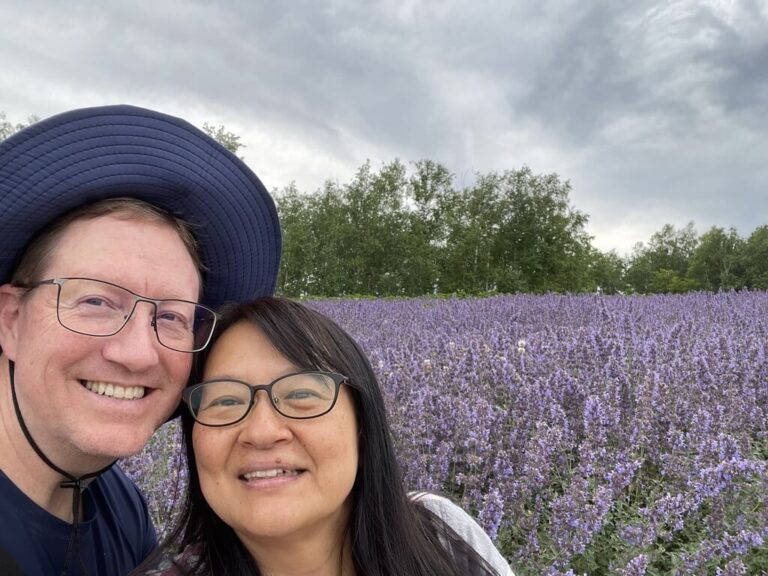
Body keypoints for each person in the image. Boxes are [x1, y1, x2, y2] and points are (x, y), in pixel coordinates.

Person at [0, 105, 281, 576]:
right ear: (10, 320)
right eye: (95, 302)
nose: (136, 354)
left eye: (171, 316)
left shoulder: (118, 505)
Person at [135, 297, 514, 576]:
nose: (262, 432)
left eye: (301, 395)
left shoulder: (442, 535)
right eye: (225, 401)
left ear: (363, 428)